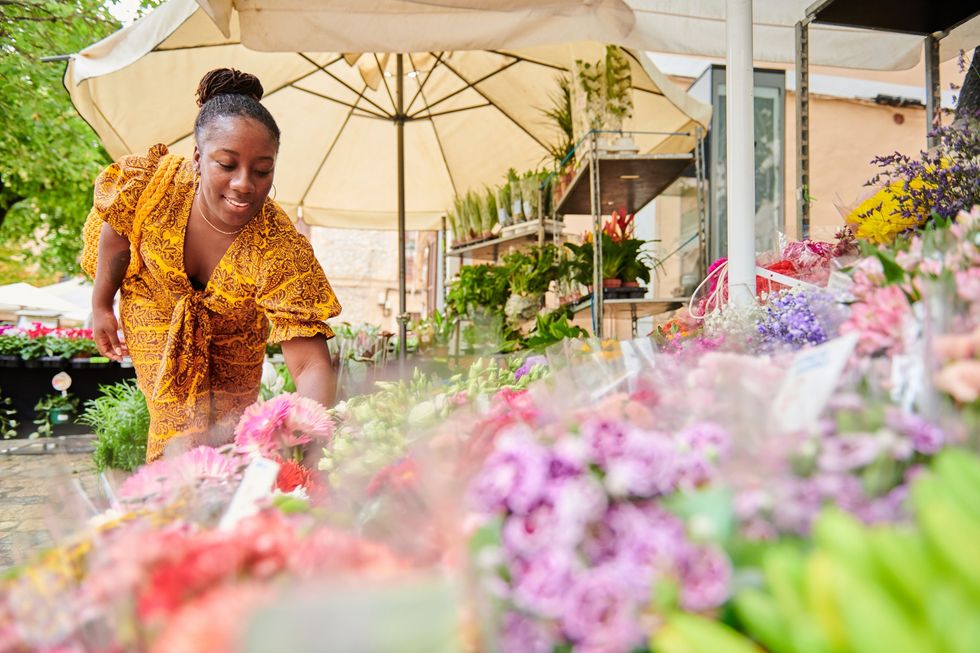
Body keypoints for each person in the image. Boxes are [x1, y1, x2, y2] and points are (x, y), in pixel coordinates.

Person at [81, 68, 341, 462]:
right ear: (199, 158)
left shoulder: (280, 248)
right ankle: (171, 502)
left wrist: (310, 441)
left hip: (235, 334)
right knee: (177, 428)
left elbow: (309, 362)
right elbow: (117, 232)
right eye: (227, 164)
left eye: (262, 170)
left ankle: (222, 511)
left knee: (233, 434)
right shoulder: (155, 184)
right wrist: (101, 304)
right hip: (155, 305)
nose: (244, 184)